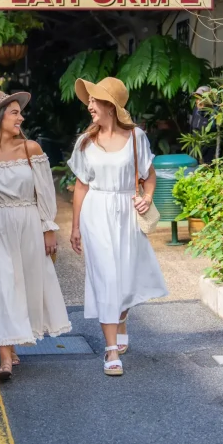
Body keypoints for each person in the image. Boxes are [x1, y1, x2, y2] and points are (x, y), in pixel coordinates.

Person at [0, 91, 71, 380]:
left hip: (28, 224)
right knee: (1, 286)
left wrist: (48, 227)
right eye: (14, 112)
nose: (21, 117)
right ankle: (5, 359)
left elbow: (44, 190)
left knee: (22, 287)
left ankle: (11, 342)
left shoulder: (31, 149)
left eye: (20, 113)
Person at [67, 77, 169, 377]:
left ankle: (120, 318)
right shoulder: (85, 142)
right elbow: (81, 186)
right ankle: (111, 350)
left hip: (126, 212)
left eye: (94, 101)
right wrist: (74, 227)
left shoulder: (136, 137)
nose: (89, 106)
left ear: (110, 106)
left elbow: (149, 175)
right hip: (96, 212)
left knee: (126, 278)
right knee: (106, 277)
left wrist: (147, 197)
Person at [190, 85, 218, 164]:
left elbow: (213, 128)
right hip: (195, 144)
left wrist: (202, 112)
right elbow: (192, 126)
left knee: (207, 166)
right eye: (197, 99)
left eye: (201, 99)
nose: (198, 101)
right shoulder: (195, 109)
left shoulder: (214, 111)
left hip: (208, 145)